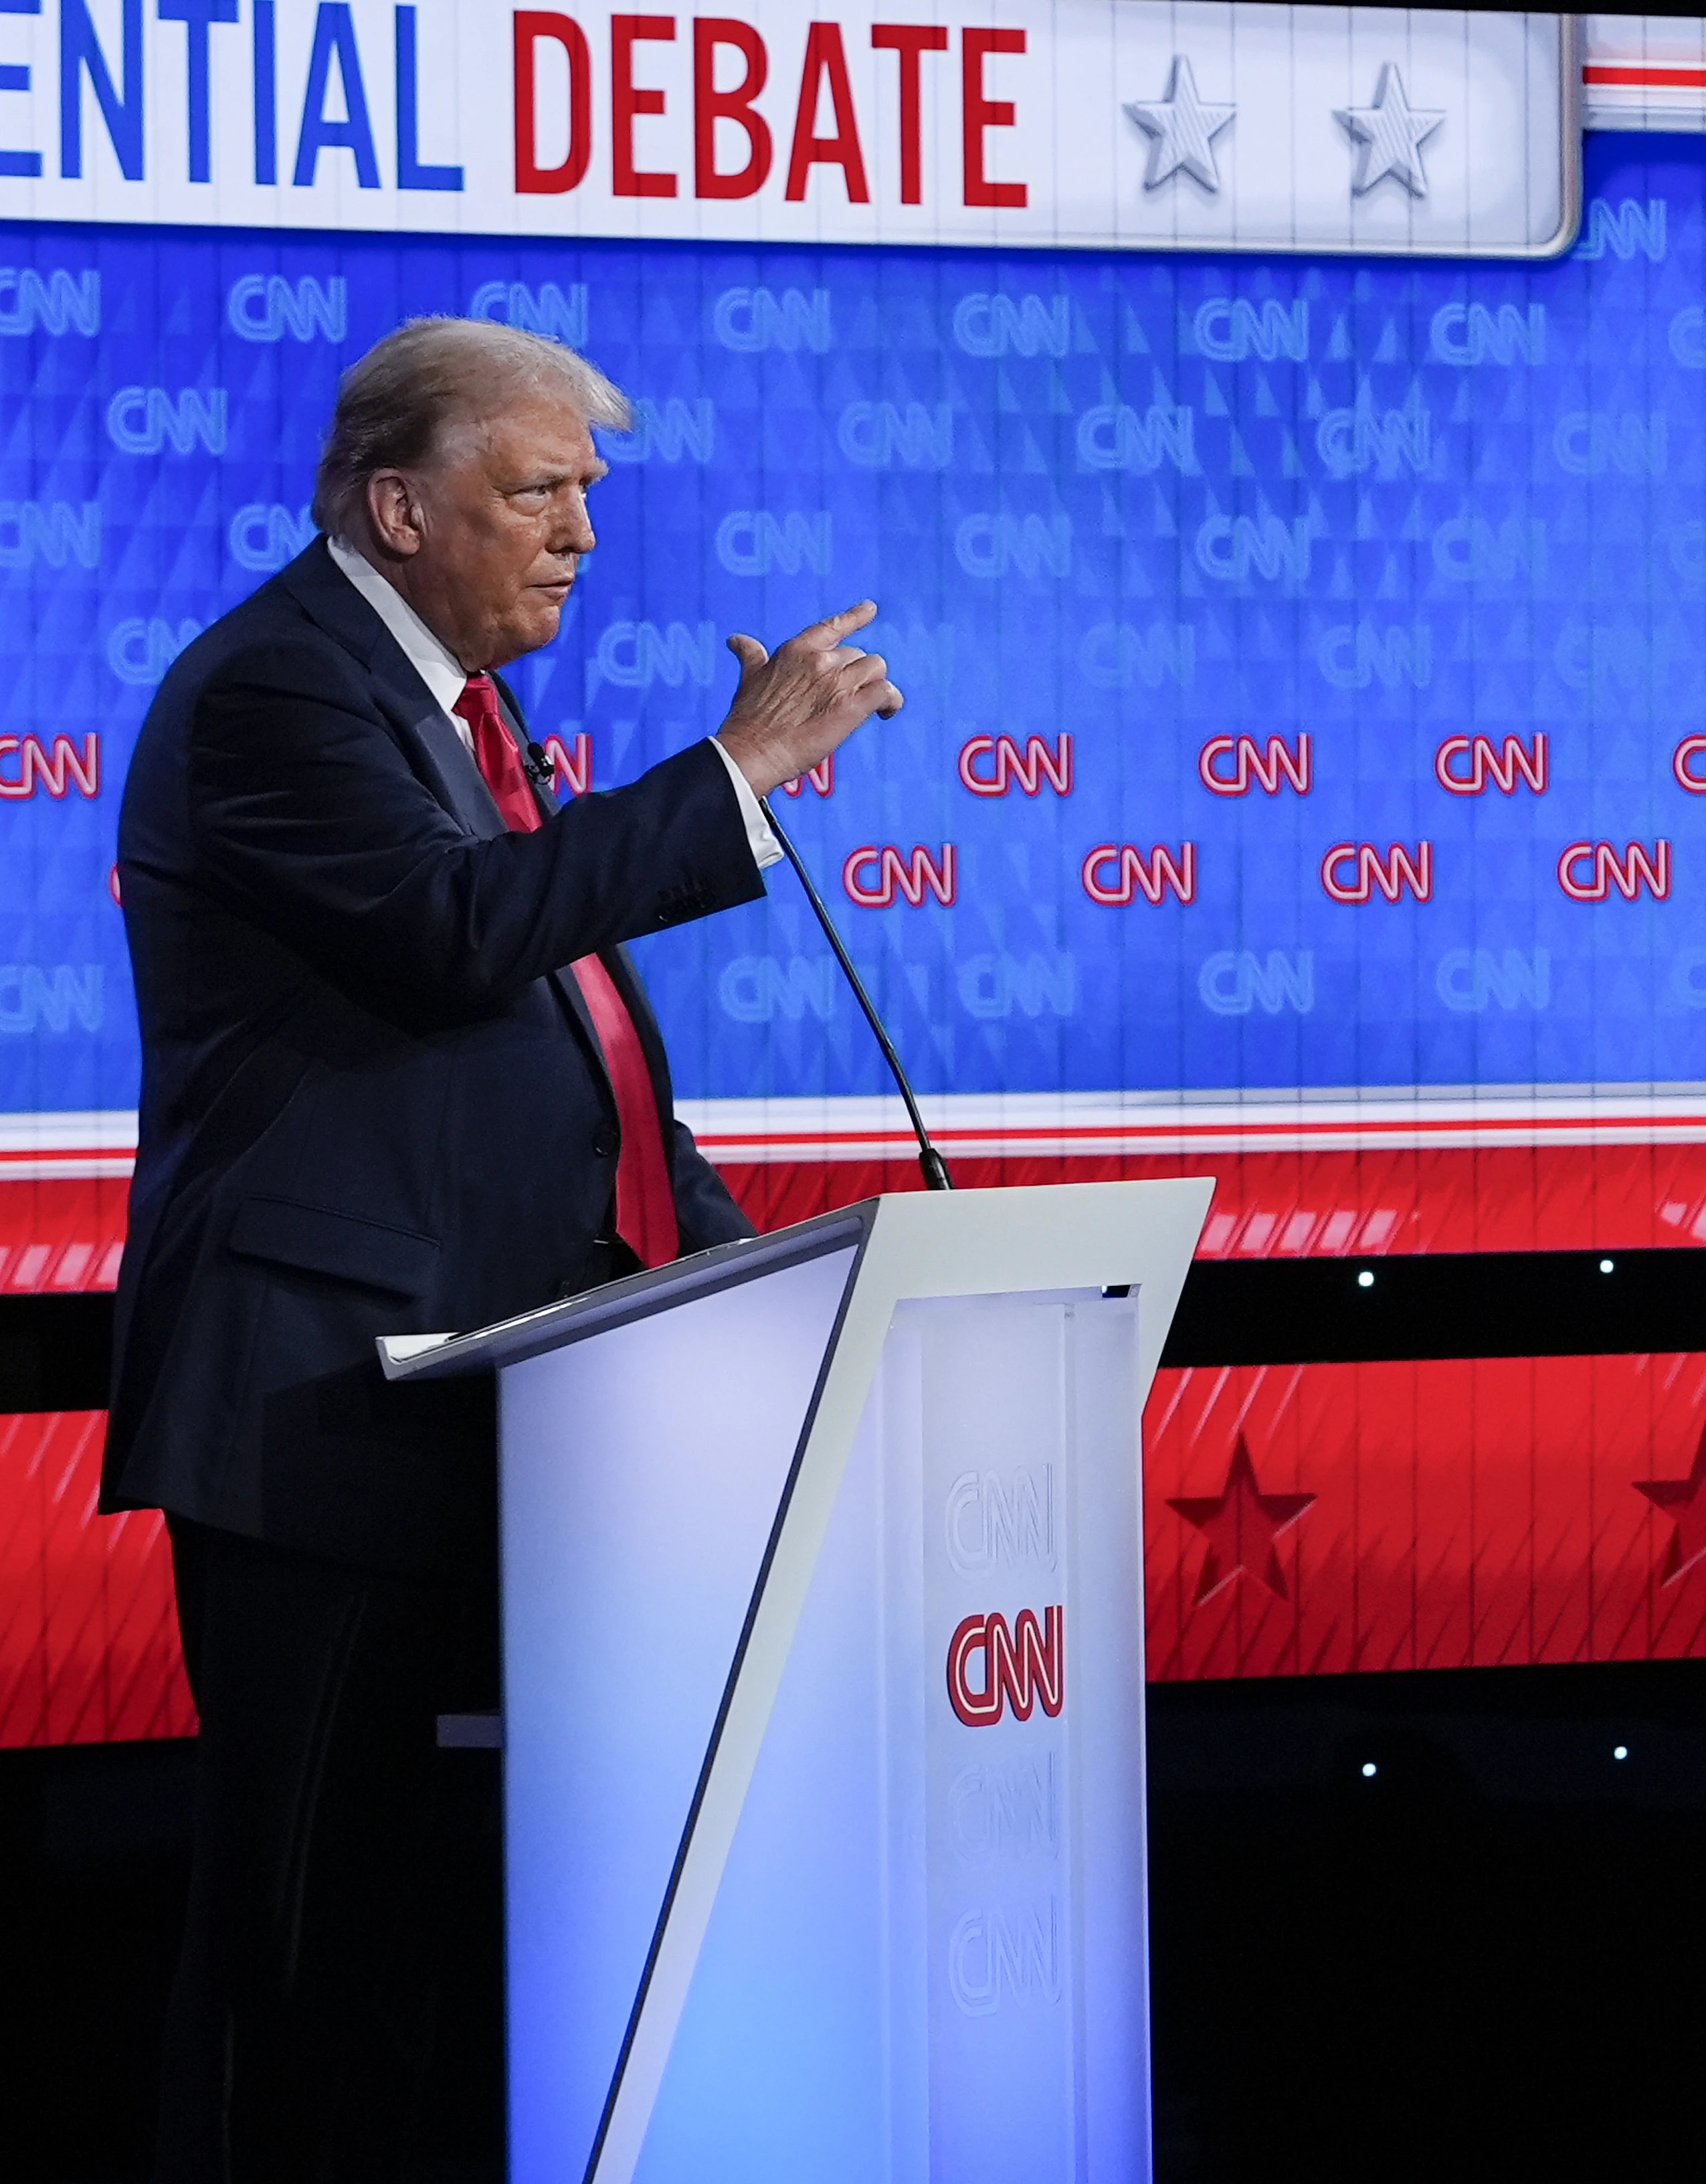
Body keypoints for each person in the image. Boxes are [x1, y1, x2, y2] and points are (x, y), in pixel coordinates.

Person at [103, 316, 903, 2179]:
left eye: (587, 496)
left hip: (489, 1416)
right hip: (322, 1420)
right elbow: (455, 934)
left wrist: (755, 1276)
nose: (576, 536)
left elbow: (584, 1057)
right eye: (533, 491)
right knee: (304, 1959)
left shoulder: (474, 712)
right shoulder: (278, 694)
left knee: (432, 1960)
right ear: (397, 505)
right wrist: (739, 776)